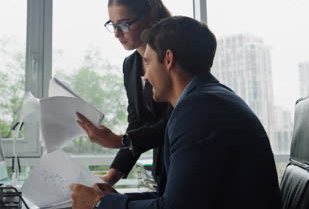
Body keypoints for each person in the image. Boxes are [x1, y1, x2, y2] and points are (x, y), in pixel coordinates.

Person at [71, 16, 282, 209]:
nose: (145, 76)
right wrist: (112, 199)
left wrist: (100, 205)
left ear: (168, 59)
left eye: (147, 62)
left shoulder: (198, 110)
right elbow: (176, 198)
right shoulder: (205, 100)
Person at [76, 0, 173, 194]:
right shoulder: (130, 65)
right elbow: (138, 123)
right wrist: (111, 177)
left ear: (152, 16)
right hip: (164, 172)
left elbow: (176, 123)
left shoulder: (174, 58)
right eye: (113, 25)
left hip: (184, 164)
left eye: (124, 24)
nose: (117, 34)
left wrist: (122, 140)